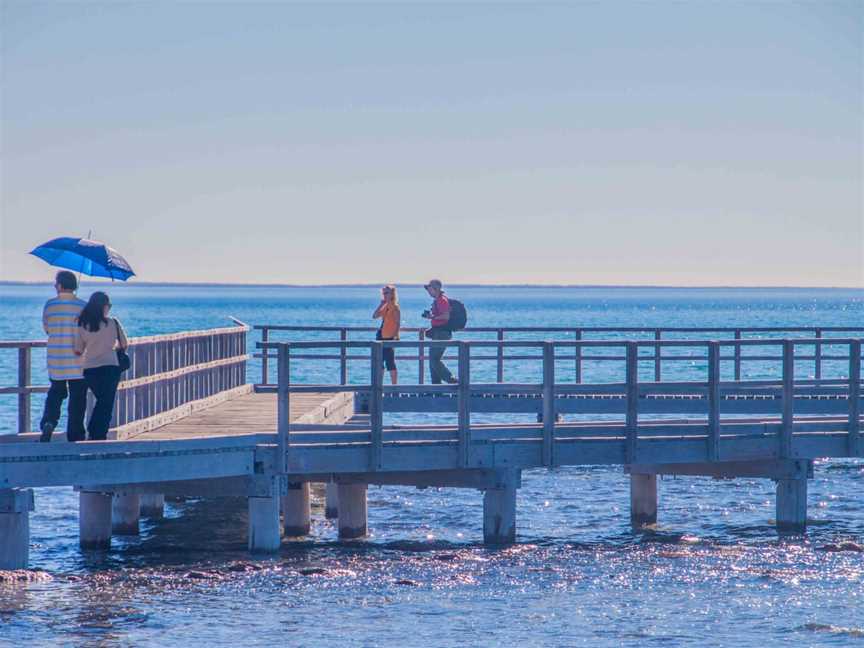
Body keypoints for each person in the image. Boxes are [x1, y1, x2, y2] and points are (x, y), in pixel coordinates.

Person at [39, 271, 88, 442]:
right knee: (77, 398)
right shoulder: (83, 306)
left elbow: (47, 330)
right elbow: (87, 332)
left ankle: (49, 422)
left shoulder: (50, 305)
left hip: (56, 359)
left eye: (56, 283)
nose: (54, 286)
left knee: (56, 393)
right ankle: (75, 434)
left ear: (60, 285)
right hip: (78, 359)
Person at [74, 292, 128, 441]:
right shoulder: (113, 323)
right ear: (104, 306)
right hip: (110, 367)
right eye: (108, 305)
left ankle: (95, 432)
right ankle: (97, 433)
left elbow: (78, 349)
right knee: (106, 402)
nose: (109, 308)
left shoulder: (82, 324)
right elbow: (124, 344)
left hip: (90, 369)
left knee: (102, 400)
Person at [422, 279, 457, 384]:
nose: (428, 291)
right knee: (432, 360)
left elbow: (446, 316)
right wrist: (431, 317)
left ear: (435, 289)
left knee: (434, 360)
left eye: (429, 289)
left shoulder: (442, 300)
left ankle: (451, 380)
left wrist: (433, 317)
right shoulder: (438, 300)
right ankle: (436, 387)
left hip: (442, 333)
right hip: (438, 333)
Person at [372, 284, 401, 384]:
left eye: (386, 293)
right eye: (383, 293)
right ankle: (379, 385)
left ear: (392, 294)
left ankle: (394, 386)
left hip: (389, 337)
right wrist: (381, 304)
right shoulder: (386, 306)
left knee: (390, 363)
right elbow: (375, 316)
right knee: (379, 362)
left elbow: (398, 323)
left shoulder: (395, 307)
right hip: (381, 336)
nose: (384, 295)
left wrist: (396, 336)